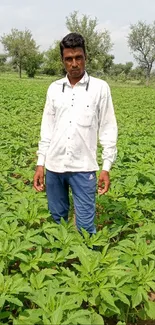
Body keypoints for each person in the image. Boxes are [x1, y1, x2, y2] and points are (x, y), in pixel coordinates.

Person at [33, 32, 117, 234]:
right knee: (57, 220)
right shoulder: (54, 89)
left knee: (86, 226)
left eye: (78, 57)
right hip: (54, 167)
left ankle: (89, 260)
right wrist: (40, 164)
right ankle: (61, 262)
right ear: (62, 61)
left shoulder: (100, 88)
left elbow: (108, 128)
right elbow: (47, 128)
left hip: (83, 168)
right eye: (68, 59)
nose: (74, 63)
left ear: (85, 58)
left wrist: (106, 167)